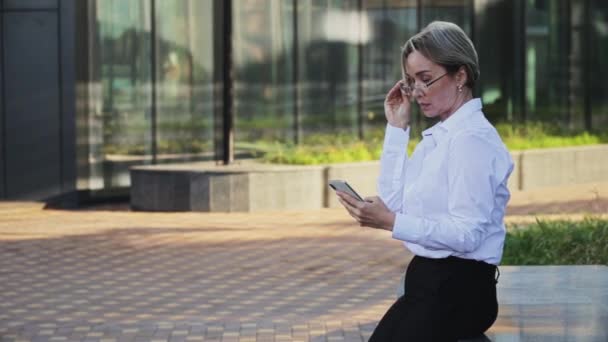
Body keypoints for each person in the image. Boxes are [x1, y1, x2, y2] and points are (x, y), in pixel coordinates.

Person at [335, 21, 514, 341]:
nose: (417, 91)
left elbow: (467, 234)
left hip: (457, 291)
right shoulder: (442, 137)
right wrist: (396, 128)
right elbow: (396, 200)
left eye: (426, 79)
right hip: (432, 287)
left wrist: (391, 222)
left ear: (460, 75)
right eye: (411, 81)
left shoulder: (470, 140)